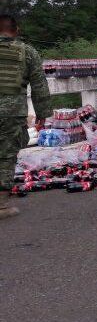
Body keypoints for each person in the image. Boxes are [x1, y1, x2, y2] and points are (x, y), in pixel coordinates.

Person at [0, 15, 51, 218]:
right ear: (17, 30)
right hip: (11, 113)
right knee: (6, 155)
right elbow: (39, 85)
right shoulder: (27, 52)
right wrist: (43, 114)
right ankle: (1, 205)